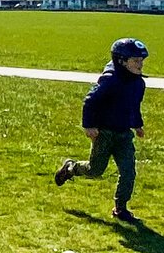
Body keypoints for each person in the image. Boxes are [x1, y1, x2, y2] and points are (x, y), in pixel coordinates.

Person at [56, 37, 146, 222]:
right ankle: (71, 168)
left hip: (123, 135)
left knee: (129, 172)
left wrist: (137, 124)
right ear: (121, 61)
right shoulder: (110, 81)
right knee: (95, 170)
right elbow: (90, 101)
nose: (140, 65)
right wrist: (88, 125)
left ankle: (120, 208)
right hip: (103, 133)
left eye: (142, 61)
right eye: (136, 61)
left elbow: (134, 106)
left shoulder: (138, 83)